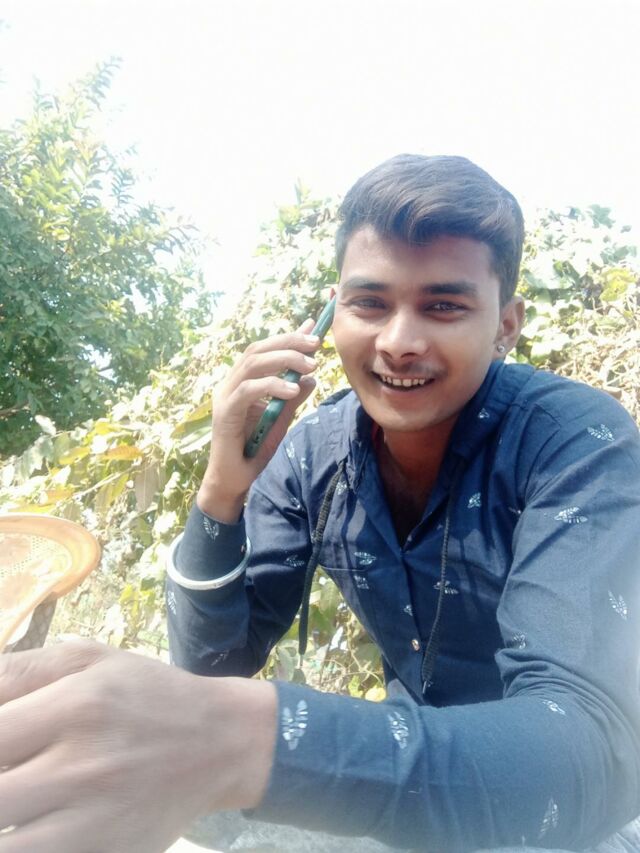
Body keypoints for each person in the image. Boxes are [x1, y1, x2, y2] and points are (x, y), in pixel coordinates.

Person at [0, 155, 638, 853]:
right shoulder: (315, 455)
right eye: (370, 304)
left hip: (571, 816)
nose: (399, 342)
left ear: (506, 324)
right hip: (402, 800)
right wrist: (220, 493)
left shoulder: (574, 442)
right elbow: (211, 670)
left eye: (444, 306)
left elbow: (587, 753)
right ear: (332, 312)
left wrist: (243, 738)